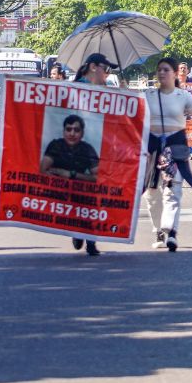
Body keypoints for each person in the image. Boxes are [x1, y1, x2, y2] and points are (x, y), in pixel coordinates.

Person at [144, 58, 192, 252]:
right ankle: (158, 230)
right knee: (152, 194)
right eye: (159, 70)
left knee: (173, 190)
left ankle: (171, 232)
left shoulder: (183, 96)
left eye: (166, 70)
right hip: (152, 148)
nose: (161, 73)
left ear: (174, 73)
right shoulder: (148, 95)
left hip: (175, 147)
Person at [67, 52, 117, 256]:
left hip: (99, 149)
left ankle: (90, 239)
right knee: (80, 196)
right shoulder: (75, 87)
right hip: (78, 150)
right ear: (94, 67)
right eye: (106, 69)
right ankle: (80, 230)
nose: (107, 73)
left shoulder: (107, 89)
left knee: (95, 196)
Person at [41, 115, 99, 181]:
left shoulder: (88, 149)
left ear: (82, 133)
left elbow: (98, 177)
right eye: (68, 129)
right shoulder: (55, 145)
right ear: (63, 132)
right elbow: (43, 171)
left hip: (76, 189)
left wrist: (71, 174)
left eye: (77, 130)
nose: (72, 134)